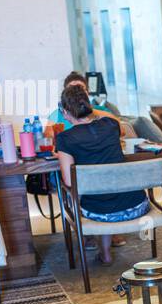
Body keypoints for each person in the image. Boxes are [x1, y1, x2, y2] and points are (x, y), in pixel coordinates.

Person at [54, 85, 148, 265]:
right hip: (137, 206)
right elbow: (115, 121)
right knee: (106, 194)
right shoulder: (110, 126)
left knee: (100, 200)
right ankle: (105, 253)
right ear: (88, 106)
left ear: (65, 112)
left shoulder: (65, 139)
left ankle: (104, 253)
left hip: (100, 214)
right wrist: (91, 109)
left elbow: (69, 181)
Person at [47, 72, 142, 141]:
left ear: (87, 92)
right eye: (72, 89)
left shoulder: (102, 111)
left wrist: (89, 110)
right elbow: (47, 138)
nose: (77, 93)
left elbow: (120, 131)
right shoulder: (57, 114)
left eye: (80, 89)